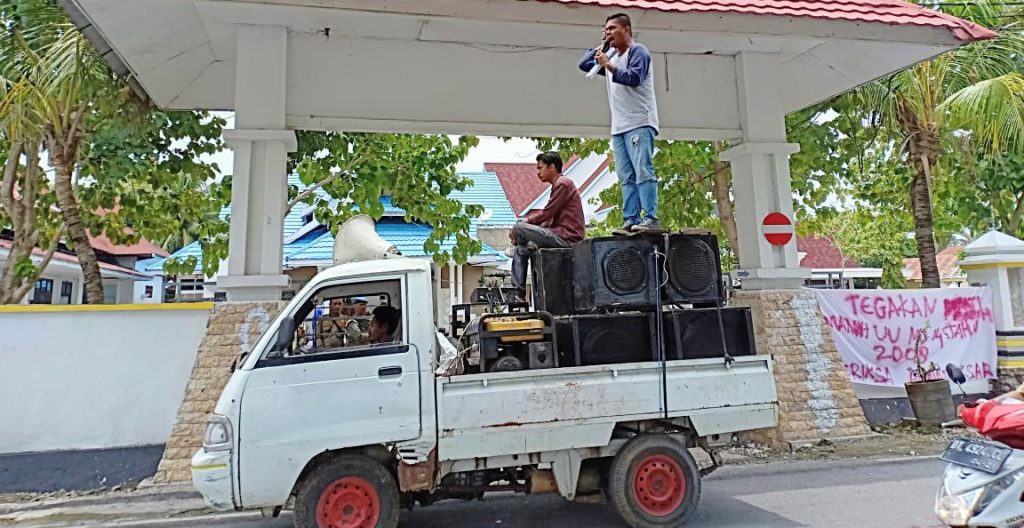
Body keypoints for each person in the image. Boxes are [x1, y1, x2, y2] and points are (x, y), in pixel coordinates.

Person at [578, 13, 662, 235]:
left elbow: (634, 77)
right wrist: (604, 46)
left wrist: (609, 66)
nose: (608, 32)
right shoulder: (611, 54)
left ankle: (651, 218)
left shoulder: (638, 52)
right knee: (626, 176)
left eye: (612, 29)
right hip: (619, 127)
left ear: (626, 30)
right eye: (605, 29)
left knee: (643, 170)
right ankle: (631, 218)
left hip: (639, 122)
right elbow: (584, 64)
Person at [507, 151, 585, 300]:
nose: (538, 173)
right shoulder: (558, 186)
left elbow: (547, 213)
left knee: (519, 227)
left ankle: (518, 238)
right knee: (521, 250)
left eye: (540, 168)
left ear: (552, 167)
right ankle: (518, 294)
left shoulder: (563, 184)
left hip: (567, 238)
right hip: (557, 234)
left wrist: (524, 225)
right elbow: (548, 220)